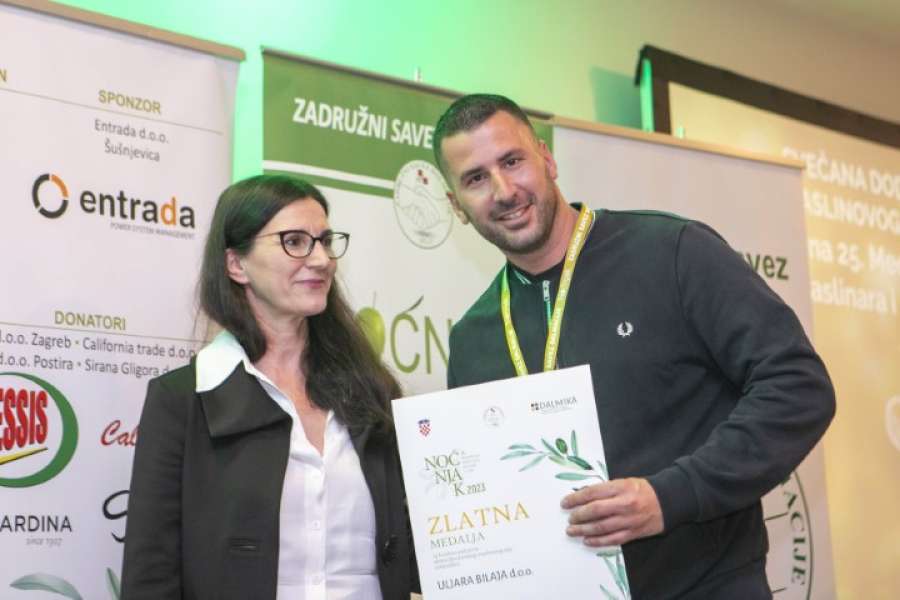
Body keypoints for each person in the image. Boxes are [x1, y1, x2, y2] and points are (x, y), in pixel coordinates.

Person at [434, 94, 835, 599]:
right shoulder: (473, 338)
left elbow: (799, 386)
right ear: (457, 206)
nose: (504, 190)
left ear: (547, 159)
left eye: (513, 161)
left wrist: (670, 496)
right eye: (475, 178)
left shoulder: (672, 253)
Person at [121, 175, 418, 600]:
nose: (321, 259)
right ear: (236, 264)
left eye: (325, 241)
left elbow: (414, 539)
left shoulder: (371, 390)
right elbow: (150, 575)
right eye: (294, 241)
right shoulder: (183, 400)